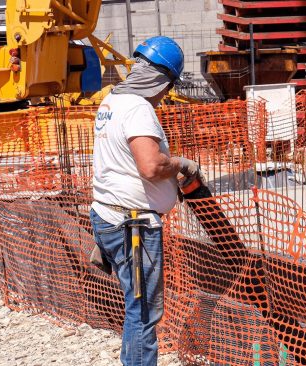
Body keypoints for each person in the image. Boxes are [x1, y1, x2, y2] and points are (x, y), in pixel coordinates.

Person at [89, 36, 200, 366]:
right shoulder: (138, 108)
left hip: (109, 216)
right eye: (168, 86)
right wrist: (178, 164)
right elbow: (151, 167)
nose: (166, 94)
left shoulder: (111, 102)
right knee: (144, 312)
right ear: (162, 79)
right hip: (132, 226)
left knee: (136, 307)